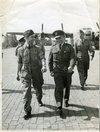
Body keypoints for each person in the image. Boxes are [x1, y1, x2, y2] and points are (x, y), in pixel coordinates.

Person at [17, 29, 47, 120]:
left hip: (36, 72)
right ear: (26, 38)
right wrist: (17, 73)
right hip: (25, 73)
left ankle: (39, 99)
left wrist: (44, 66)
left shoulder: (37, 48)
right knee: (26, 92)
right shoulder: (20, 50)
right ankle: (28, 111)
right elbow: (19, 63)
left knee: (38, 88)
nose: (33, 38)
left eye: (34, 36)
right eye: (31, 37)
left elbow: (42, 58)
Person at [48, 30, 75, 117]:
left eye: (59, 38)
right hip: (57, 72)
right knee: (58, 88)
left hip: (67, 71)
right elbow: (50, 60)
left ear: (64, 37)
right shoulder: (53, 47)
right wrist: (51, 70)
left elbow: (73, 58)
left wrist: (71, 66)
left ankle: (66, 99)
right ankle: (59, 106)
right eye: (56, 38)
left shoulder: (69, 47)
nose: (58, 40)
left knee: (67, 86)